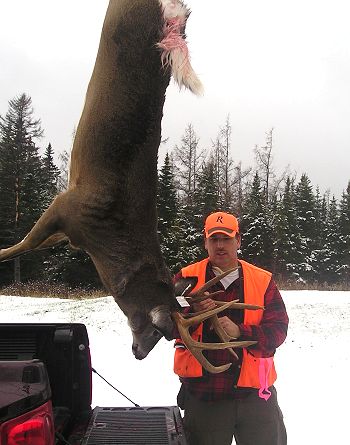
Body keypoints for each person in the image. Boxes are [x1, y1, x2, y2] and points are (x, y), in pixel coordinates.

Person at [173, 211, 288, 445]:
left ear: (238, 240)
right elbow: (164, 325)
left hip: (256, 396)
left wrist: (240, 332)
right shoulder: (185, 278)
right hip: (205, 395)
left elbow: (278, 330)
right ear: (205, 242)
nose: (220, 245)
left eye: (226, 238)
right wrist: (193, 313)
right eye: (214, 239)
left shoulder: (262, 280)